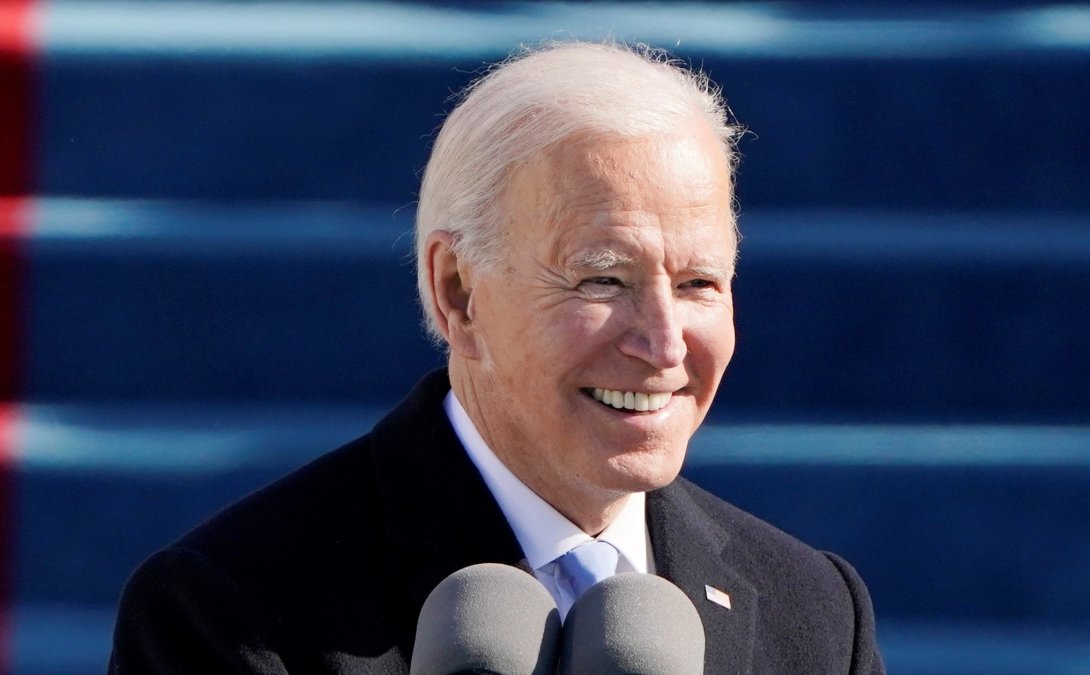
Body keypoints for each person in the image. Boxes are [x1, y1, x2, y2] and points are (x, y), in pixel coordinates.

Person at [108, 41, 884, 674]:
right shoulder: (228, 611)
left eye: (698, 283)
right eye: (603, 278)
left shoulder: (815, 612)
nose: (664, 341)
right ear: (459, 294)